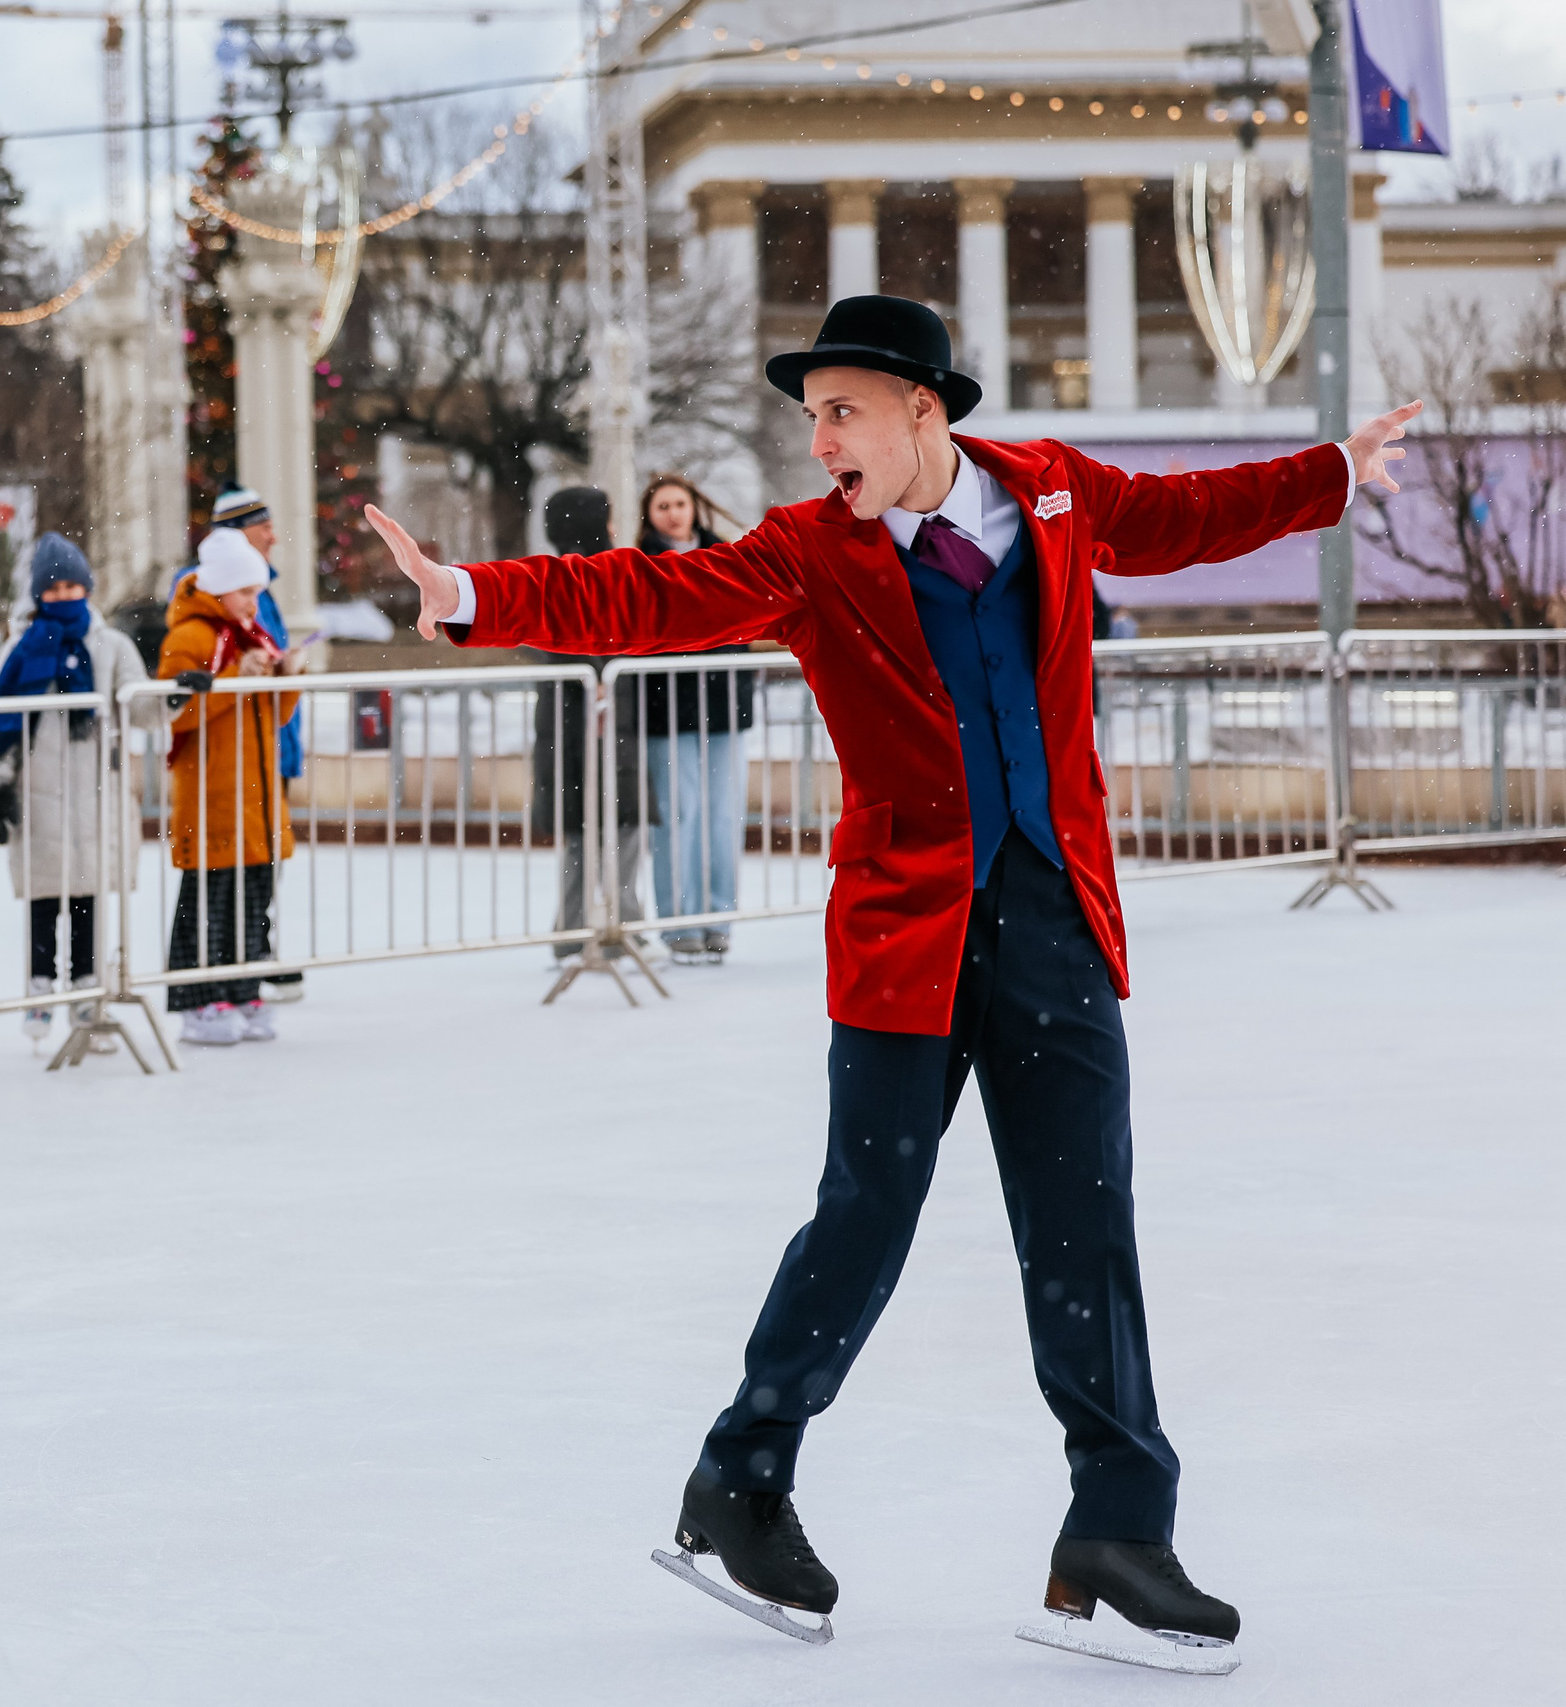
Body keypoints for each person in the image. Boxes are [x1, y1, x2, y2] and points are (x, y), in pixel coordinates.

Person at [367, 293, 1424, 1658]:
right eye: (810, 417)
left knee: (1085, 1223)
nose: (820, 443)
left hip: (1051, 917)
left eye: (842, 411)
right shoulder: (812, 551)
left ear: (928, 409)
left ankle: (1117, 1521)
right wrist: (470, 595)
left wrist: (1326, 473)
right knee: (867, 1213)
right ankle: (741, 1477)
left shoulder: (1050, 492)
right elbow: (655, 593)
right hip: (904, 933)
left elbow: (1179, 517)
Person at [0, 534, 154, 1045]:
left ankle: (86, 994)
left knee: (87, 902)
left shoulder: (111, 646)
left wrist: (174, 693)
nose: (64, 596)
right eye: (53, 588)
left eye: (73, 585)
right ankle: (41, 994)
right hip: (40, 797)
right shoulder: (20, 649)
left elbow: (140, 705)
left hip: (96, 795)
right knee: (43, 899)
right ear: (38, 593)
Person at [156, 528, 304, 1046]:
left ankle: (243, 989)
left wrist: (285, 679)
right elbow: (172, 715)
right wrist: (233, 682)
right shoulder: (189, 639)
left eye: (257, 592)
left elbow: (274, 714)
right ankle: (199, 1000)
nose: (253, 602)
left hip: (257, 798)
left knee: (250, 903)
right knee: (209, 905)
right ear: (218, 590)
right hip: (213, 798)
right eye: (245, 592)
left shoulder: (253, 635)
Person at [635, 472, 756, 963]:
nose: (672, 513)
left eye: (678, 503)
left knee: (723, 815)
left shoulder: (725, 557)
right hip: (666, 709)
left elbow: (745, 618)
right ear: (650, 514)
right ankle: (678, 921)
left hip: (724, 704)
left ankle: (718, 918)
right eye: (662, 506)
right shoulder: (642, 565)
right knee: (676, 816)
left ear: (693, 508)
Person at [527, 488, 646, 964]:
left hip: (570, 721)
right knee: (618, 823)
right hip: (598, 721)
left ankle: (574, 927)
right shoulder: (603, 574)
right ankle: (619, 925)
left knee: (583, 828)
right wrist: (599, 672)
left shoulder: (549, 575)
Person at [201, 487, 305, 1005]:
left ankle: (254, 951)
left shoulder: (263, 591)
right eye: (262, 526)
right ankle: (239, 960)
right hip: (237, 755)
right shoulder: (213, 596)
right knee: (235, 865)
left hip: (271, 743)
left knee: (263, 857)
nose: (273, 536)